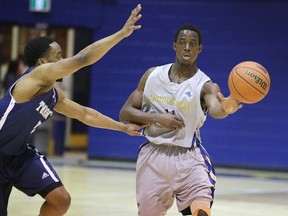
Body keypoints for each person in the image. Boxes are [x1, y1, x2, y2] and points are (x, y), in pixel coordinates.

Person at [0, 4, 143, 216]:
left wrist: (122, 127)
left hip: (19, 155)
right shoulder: (34, 77)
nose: (62, 60)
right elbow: (82, 59)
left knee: (60, 200)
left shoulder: (53, 95)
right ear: (42, 63)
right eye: (58, 56)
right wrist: (121, 34)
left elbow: (85, 114)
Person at [119, 24, 242, 216]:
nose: (187, 47)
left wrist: (225, 108)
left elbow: (216, 109)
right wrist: (158, 118)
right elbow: (125, 112)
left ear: (199, 49)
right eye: (183, 43)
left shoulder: (205, 85)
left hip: (189, 158)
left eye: (192, 44)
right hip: (153, 157)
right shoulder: (152, 75)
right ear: (174, 46)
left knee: (201, 211)